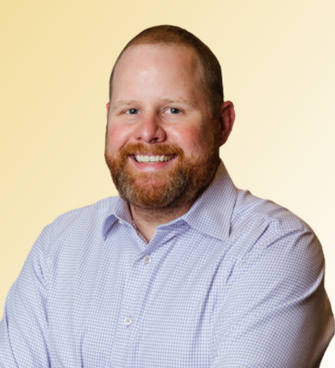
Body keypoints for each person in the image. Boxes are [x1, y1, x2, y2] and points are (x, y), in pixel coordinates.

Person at [0, 25, 334, 367]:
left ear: (223, 123)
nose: (147, 132)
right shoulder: (58, 245)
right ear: (107, 118)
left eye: (173, 110)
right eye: (130, 111)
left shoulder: (276, 247)